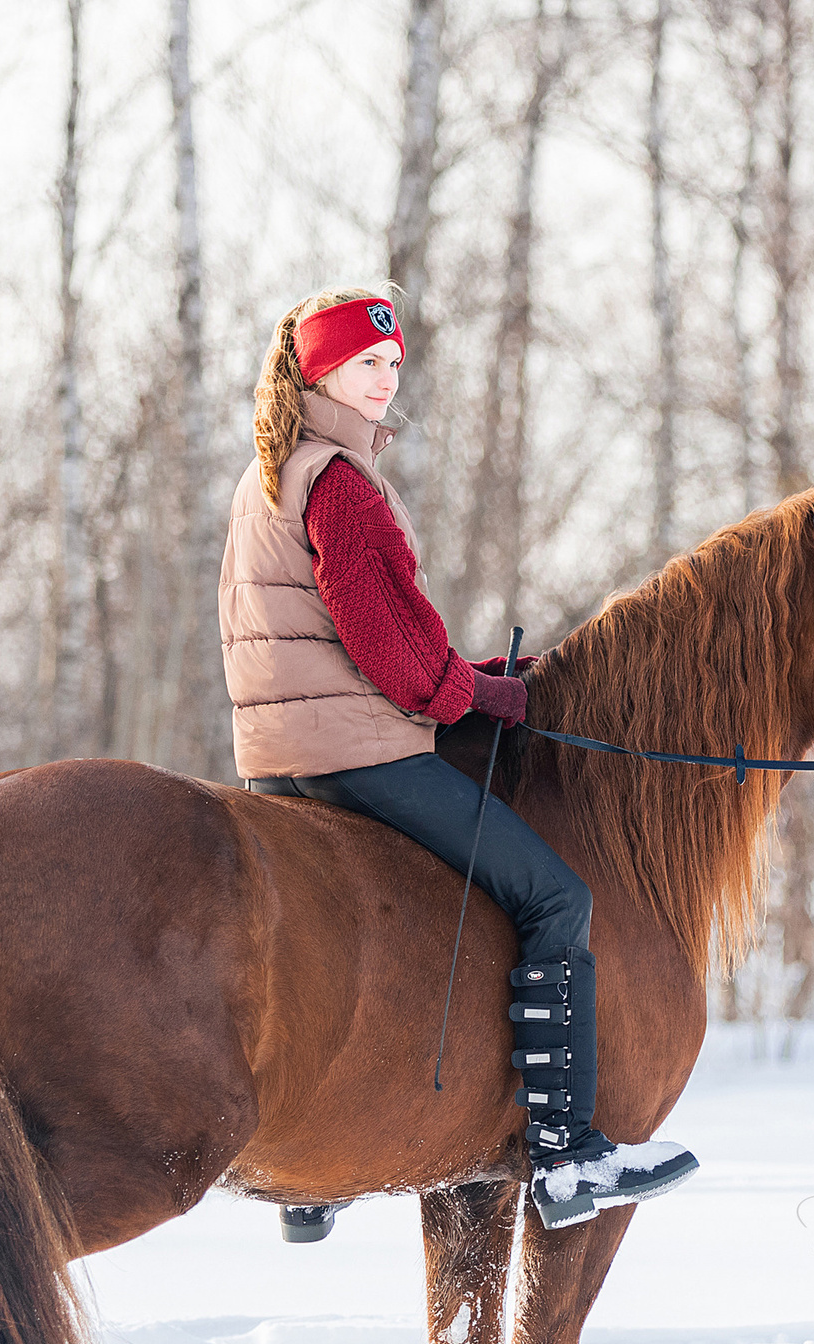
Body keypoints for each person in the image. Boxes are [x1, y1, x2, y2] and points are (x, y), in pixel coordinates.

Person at [218, 286, 700, 1239]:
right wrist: (482, 697)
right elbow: (393, 659)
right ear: (320, 372)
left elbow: (355, 638)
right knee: (556, 897)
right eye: (367, 364)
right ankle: (565, 1150)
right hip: (354, 750)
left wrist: (467, 673)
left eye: (393, 366)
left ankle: (314, 1172)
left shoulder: (272, 471)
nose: (385, 379)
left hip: (277, 751)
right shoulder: (343, 485)